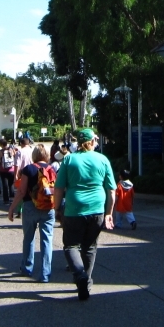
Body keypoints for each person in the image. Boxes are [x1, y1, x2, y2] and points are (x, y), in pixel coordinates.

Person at [53, 128, 116, 301]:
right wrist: (109, 213)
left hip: (74, 209)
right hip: (97, 209)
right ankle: (85, 281)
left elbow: (58, 188)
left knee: (71, 245)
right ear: (92, 141)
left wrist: (56, 207)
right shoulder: (102, 159)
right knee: (90, 246)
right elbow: (111, 190)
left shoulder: (69, 159)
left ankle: (80, 275)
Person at [8, 144, 57, 283]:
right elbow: (57, 189)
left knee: (29, 237)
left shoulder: (28, 169)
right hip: (48, 207)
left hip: (30, 206)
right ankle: (45, 273)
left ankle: (27, 267)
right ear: (47, 155)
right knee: (47, 240)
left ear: (34, 155)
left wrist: (12, 208)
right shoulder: (52, 169)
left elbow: (22, 191)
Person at [0, 138, 16, 205]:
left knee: (5, 185)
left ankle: (6, 200)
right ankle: (12, 199)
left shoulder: (1, 151)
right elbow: (15, 158)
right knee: (11, 184)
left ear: (1, 144)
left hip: (3, 170)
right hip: (11, 170)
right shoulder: (11, 149)